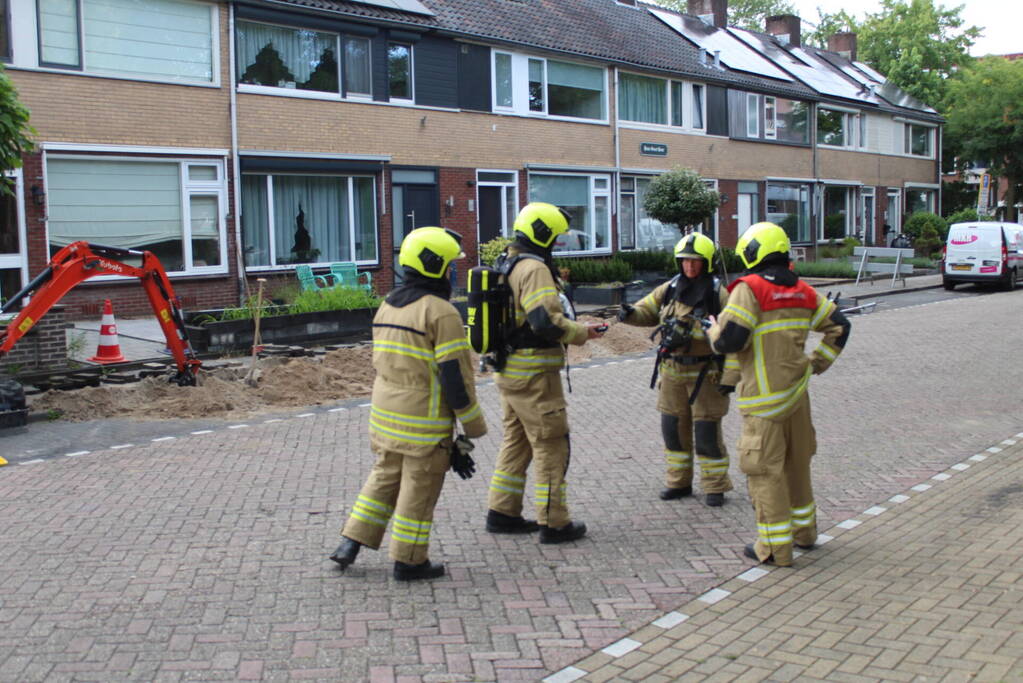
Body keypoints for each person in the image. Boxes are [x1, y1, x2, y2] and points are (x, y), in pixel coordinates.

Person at [329, 227, 486, 581]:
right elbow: (455, 378)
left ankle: (350, 542)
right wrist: (472, 427)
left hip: (385, 416)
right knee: (419, 489)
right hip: (424, 425)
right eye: (449, 266)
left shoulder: (388, 305)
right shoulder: (441, 312)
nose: (451, 272)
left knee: (383, 479)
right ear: (434, 267)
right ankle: (409, 560)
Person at [707, 222, 851, 567]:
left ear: (752, 251)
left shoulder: (749, 289)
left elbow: (730, 341)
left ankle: (774, 549)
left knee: (765, 474)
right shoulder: (803, 290)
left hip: (762, 404)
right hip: (797, 398)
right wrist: (816, 364)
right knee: (797, 467)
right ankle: (805, 534)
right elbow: (841, 326)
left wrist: (712, 330)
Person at [485, 202, 604, 543]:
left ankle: (502, 512)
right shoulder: (534, 269)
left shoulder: (506, 262)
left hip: (509, 370)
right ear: (543, 235)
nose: (557, 245)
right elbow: (544, 322)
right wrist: (582, 333)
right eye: (555, 238)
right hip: (535, 375)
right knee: (552, 443)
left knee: (517, 441)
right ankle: (554, 522)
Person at [618, 233, 737, 506]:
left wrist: (728, 376)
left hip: (705, 375)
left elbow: (731, 336)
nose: (690, 267)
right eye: (684, 261)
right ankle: (678, 483)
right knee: (672, 429)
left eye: (695, 262)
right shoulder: (670, 288)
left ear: (706, 263)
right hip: (672, 372)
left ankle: (715, 486)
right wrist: (629, 313)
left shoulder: (718, 294)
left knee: (706, 433)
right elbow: (646, 310)